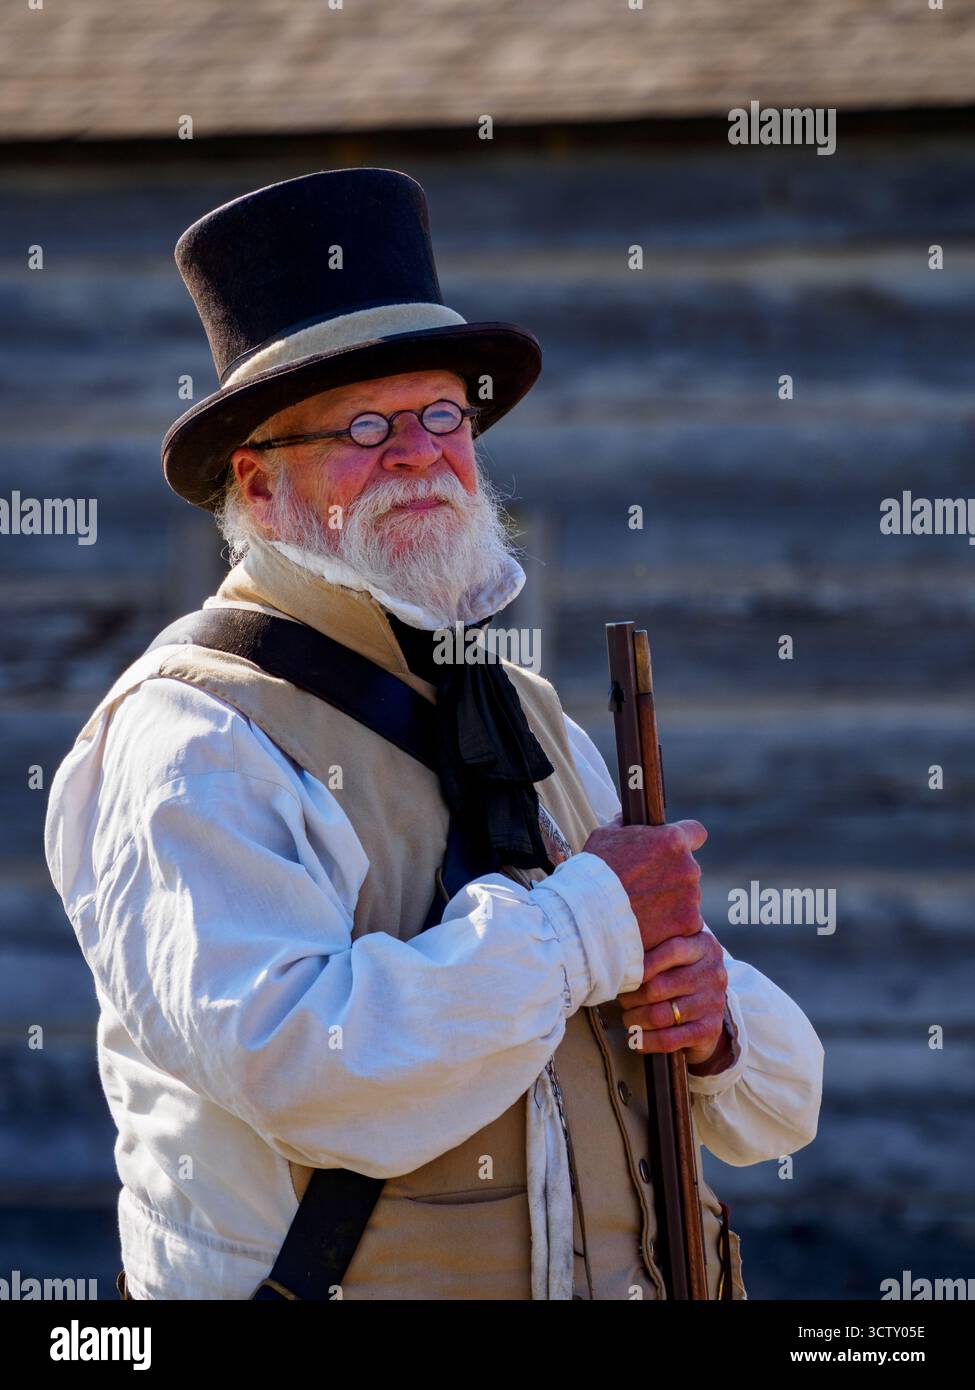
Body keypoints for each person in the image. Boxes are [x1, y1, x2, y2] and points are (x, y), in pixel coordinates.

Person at [43, 168, 824, 1301]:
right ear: (259, 490)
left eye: (441, 414)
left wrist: (708, 1018)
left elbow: (772, 1106)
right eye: (363, 426)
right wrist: (586, 925)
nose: (417, 452)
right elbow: (308, 1063)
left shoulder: (525, 707)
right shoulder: (189, 732)